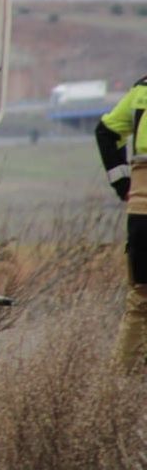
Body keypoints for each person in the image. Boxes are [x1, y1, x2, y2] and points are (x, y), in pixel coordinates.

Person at [95, 75, 147, 370]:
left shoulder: (142, 90)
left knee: (140, 302)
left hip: (141, 211)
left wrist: (122, 184)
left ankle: (119, 389)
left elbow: (106, 131)